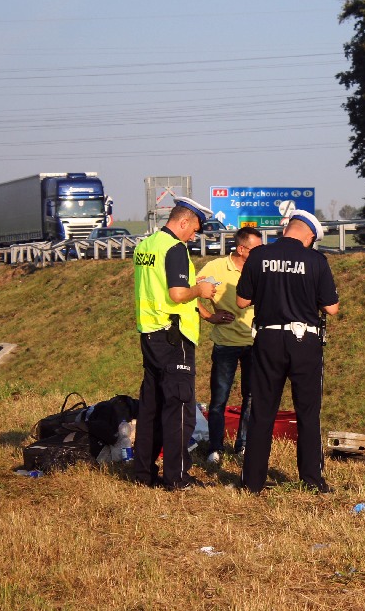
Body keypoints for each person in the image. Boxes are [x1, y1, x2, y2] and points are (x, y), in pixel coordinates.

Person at [235, 210, 340, 493]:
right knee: (308, 411)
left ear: (286, 229)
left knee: (262, 412)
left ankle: (252, 481)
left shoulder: (257, 256)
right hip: (304, 342)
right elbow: (332, 307)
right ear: (308, 235)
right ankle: (312, 480)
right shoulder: (316, 260)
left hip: (267, 339)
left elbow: (242, 300)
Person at [132, 197, 217, 490]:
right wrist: (201, 289)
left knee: (151, 408)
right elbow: (178, 294)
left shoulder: (146, 246)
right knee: (179, 408)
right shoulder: (176, 248)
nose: (193, 236)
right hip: (174, 338)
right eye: (193, 229)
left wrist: (206, 314)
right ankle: (177, 477)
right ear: (182, 222)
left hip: (150, 333)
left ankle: (143, 472)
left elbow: (156, 291)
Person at [197, 226, 264, 464]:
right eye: (256, 248)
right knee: (219, 399)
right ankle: (215, 448)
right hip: (225, 343)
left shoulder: (261, 268)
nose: (261, 252)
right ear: (241, 249)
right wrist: (208, 316)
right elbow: (190, 293)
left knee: (252, 396)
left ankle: (243, 446)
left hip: (255, 343)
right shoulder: (216, 267)